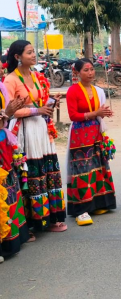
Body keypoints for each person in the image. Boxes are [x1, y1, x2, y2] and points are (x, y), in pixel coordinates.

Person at [4, 40, 67, 235]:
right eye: (29, 52)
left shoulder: (36, 76)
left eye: (34, 52)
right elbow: (10, 112)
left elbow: (39, 101)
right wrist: (36, 109)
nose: (34, 55)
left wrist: (50, 102)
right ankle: (30, 224)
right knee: (29, 174)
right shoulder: (10, 80)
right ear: (17, 57)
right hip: (24, 131)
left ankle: (49, 218)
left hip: (41, 129)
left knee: (47, 171)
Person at [66, 59, 116, 226]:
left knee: (98, 167)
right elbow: (73, 116)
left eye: (92, 69)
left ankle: (99, 203)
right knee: (82, 169)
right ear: (77, 73)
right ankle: (81, 210)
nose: (90, 73)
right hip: (80, 135)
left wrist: (104, 113)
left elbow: (98, 112)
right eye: (86, 70)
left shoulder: (98, 91)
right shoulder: (73, 91)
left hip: (95, 132)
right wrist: (95, 112)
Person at [0, 87, 29, 262]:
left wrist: (7, 114)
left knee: (9, 192)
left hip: (4, 144)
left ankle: (12, 239)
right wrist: (7, 113)